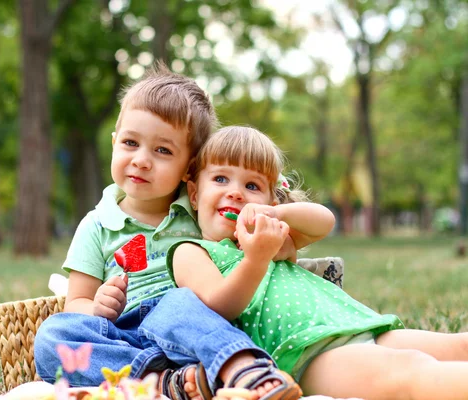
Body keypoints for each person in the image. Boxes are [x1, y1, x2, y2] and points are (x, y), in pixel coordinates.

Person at [34, 65, 303, 400]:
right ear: (115, 142)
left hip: (194, 328)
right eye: (131, 143)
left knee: (177, 302)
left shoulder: (199, 212)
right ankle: (166, 383)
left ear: (190, 167)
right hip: (123, 338)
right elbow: (75, 301)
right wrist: (98, 307)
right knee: (52, 336)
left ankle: (243, 371)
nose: (142, 160)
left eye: (162, 150)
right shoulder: (96, 225)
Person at [167, 125, 468, 400]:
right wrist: (256, 258)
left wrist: (276, 216)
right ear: (194, 194)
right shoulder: (191, 251)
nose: (235, 192)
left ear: (271, 202)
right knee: (412, 373)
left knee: (460, 346)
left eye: (252, 186)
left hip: (356, 326)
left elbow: (324, 221)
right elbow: (219, 305)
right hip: (306, 353)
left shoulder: (274, 236)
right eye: (221, 179)